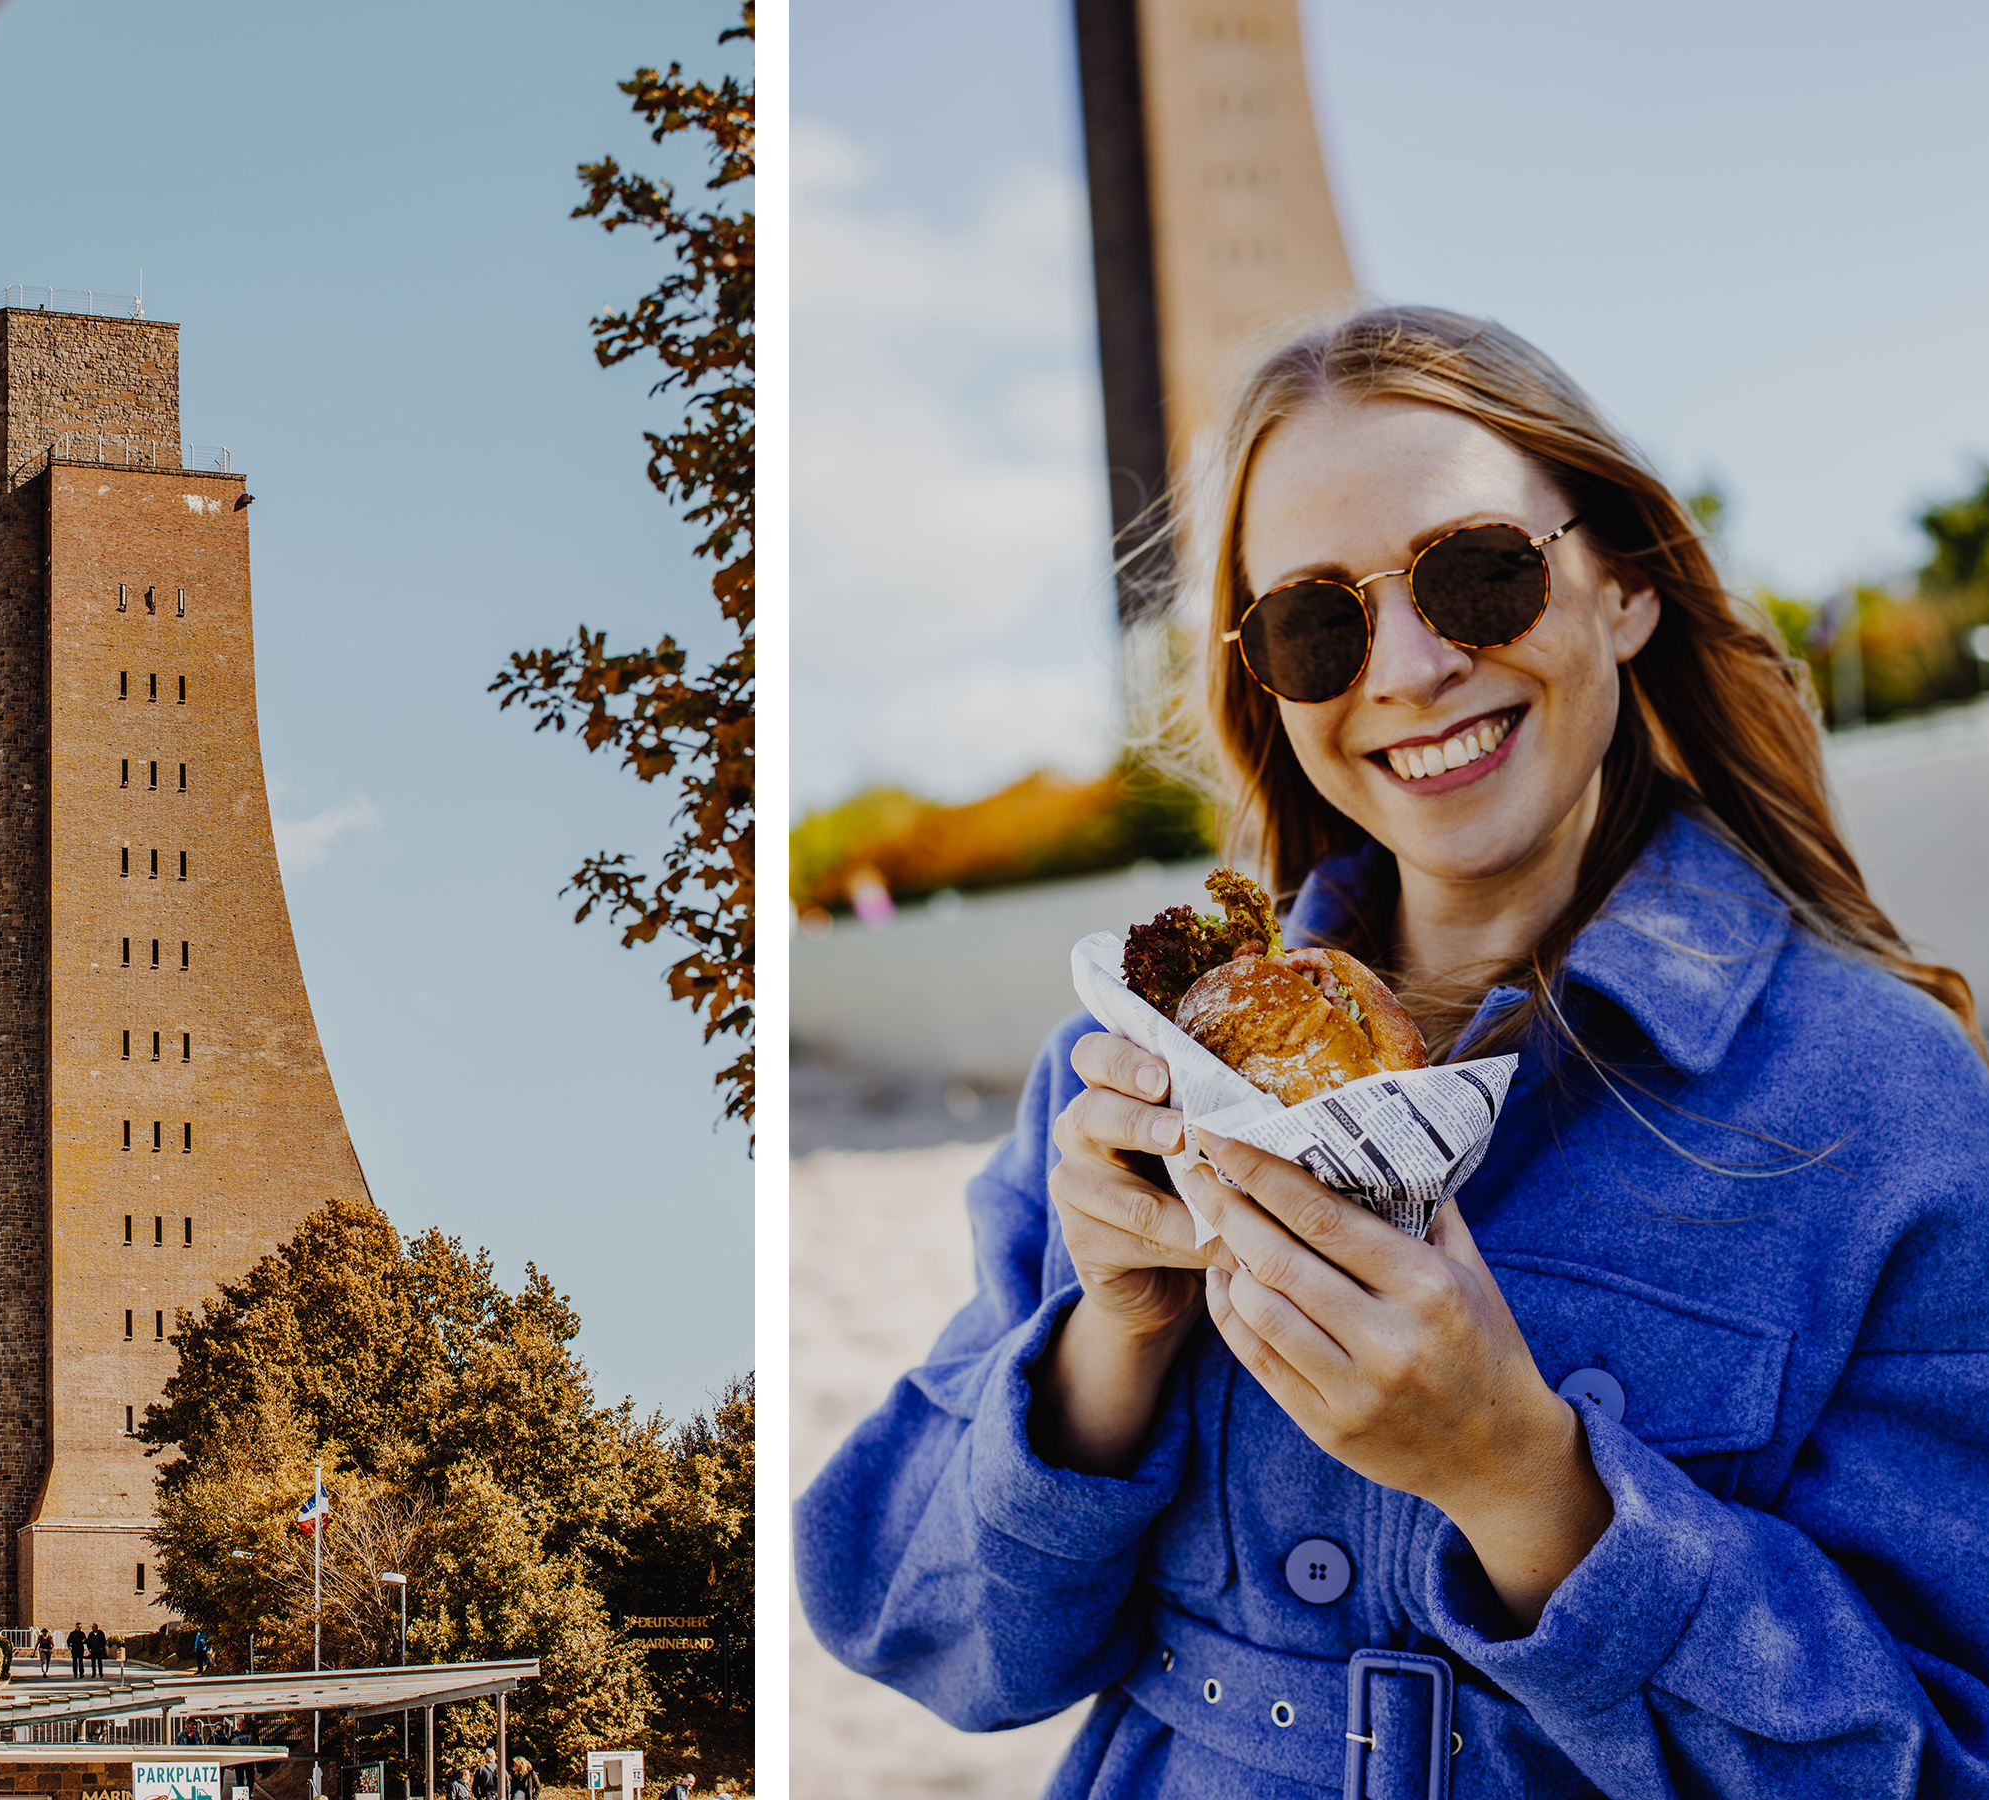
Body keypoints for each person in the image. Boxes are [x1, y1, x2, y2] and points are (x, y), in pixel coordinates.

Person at [795, 305, 1989, 1796]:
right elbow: (907, 1633)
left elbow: (1937, 1760)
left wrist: (1524, 1485)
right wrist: (1109, 1346)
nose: (1410, 667)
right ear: (1269, 685)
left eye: (1476, 573)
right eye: (1316, 621)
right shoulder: (1128, 1076)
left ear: (1619, 585)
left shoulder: (1879, 1100)